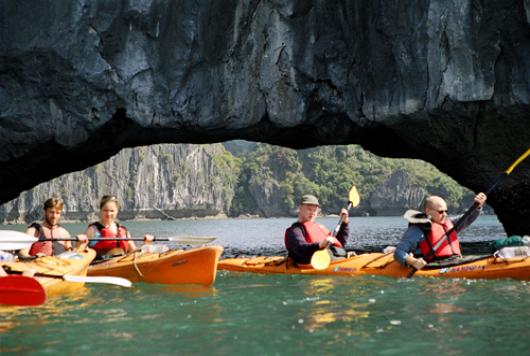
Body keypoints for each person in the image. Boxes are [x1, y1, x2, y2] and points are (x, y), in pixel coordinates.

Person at [394, 192, 487, 270]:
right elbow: (399, 252)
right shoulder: (417, 230)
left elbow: (467, 218)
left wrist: (478, 206)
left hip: (455, 261)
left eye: (446, 211)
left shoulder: (449, 224)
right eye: (441, 212)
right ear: (428, 211)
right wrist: (413, 261)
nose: (445, 214)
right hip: (433, 265)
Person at [285, 194, 350, 264]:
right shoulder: (294, 230)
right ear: (300, 208)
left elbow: (339, 244)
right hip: (311, 262)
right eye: (309, 209)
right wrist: (320, 245)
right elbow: (300, 248)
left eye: (314, 210)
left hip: (330, 259)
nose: (312, 213)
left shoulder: (319, 228)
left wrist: (344, 223)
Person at [85, 195, 153, 259]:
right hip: (99, 266)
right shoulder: (93, 230)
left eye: (112, 211)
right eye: (105, 210)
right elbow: (80, 250)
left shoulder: (123, 230)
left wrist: (146, 244)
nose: (109, 214)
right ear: (101, 210)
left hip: (120, 266)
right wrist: (80, 242)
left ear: (117, 211)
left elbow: (133, 252)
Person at [21, 198, 88, 257]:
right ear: (45, 212)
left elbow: (70, 255)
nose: (54, 216)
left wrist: (78, 245)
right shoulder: (33, 230)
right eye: (51, 212)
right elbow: (22, 253)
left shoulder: (64, 233)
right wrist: (35, 257)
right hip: (38, 266)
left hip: (58, 268)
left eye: (57, 213)